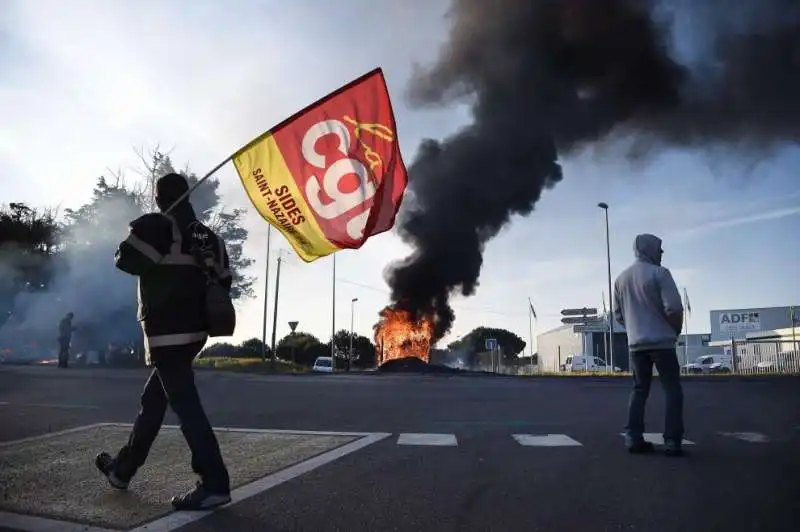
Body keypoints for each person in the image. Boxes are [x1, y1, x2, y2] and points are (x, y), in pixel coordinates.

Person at [94, 172, 233, 510]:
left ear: (159, 198)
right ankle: (122, 470)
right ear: (189, 196)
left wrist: (135, 230)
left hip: (166, 332)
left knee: (185, 404)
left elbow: (126, 260)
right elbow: (224, 280)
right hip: (196, 334)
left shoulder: (157, 225)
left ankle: (215, 482)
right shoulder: (206, 235)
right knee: (154, 398)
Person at [614, 233, 685, 457]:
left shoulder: (621, 279)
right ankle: (672, 441)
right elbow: (674, 308)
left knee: (639, 390)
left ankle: (633, 438)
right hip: (662, 342)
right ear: (651, 249)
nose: (662, 253)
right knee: (672, 390)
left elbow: (618, 316)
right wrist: (674, 330)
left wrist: (635, 327)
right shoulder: (660, 273)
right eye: (660, 249)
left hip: (636, 344)